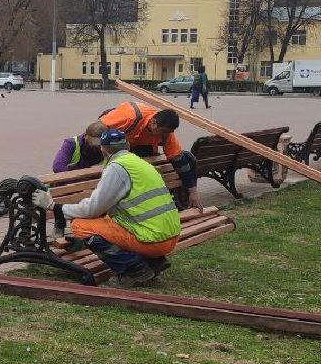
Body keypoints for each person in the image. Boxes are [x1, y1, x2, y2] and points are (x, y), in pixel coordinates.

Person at [38, 128, 181, 288]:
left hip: (153, 240)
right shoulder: (138, 162)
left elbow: (92, 209)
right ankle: (153, 261)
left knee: (80, 226)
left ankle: (135, 270)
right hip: (169, 235)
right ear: (127, 145)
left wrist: (53, 206)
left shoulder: (117, 168)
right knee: (106, 220)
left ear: (103, 149)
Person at [98, 101, 200, 209]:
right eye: (163, 132)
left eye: (168, 133)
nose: (164, 137)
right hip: (112, 134)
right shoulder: (129, 118)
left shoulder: (166, 133)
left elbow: (179, 161)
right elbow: (95, 131)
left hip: (133, 143)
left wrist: (193, 191)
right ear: (154, 123)